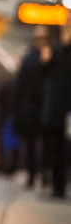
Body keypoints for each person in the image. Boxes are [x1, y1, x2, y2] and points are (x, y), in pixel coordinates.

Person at [38, 22, 71, 199]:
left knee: (64, 147)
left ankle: (60, 185)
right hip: (55, 110)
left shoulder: (62, 51)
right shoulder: (55, 50)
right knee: (55, 146)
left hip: (64, 109)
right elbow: (42, 73)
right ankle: (57, 185)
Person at [13, 27, 47, 188]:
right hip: (45, 110)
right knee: (46, 143)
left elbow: (19, 87)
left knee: (30, 144)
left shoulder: (27, 60)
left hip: (29, 110)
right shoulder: (49, 61)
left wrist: (17, 110)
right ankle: (44, 174)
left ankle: (31, 176)